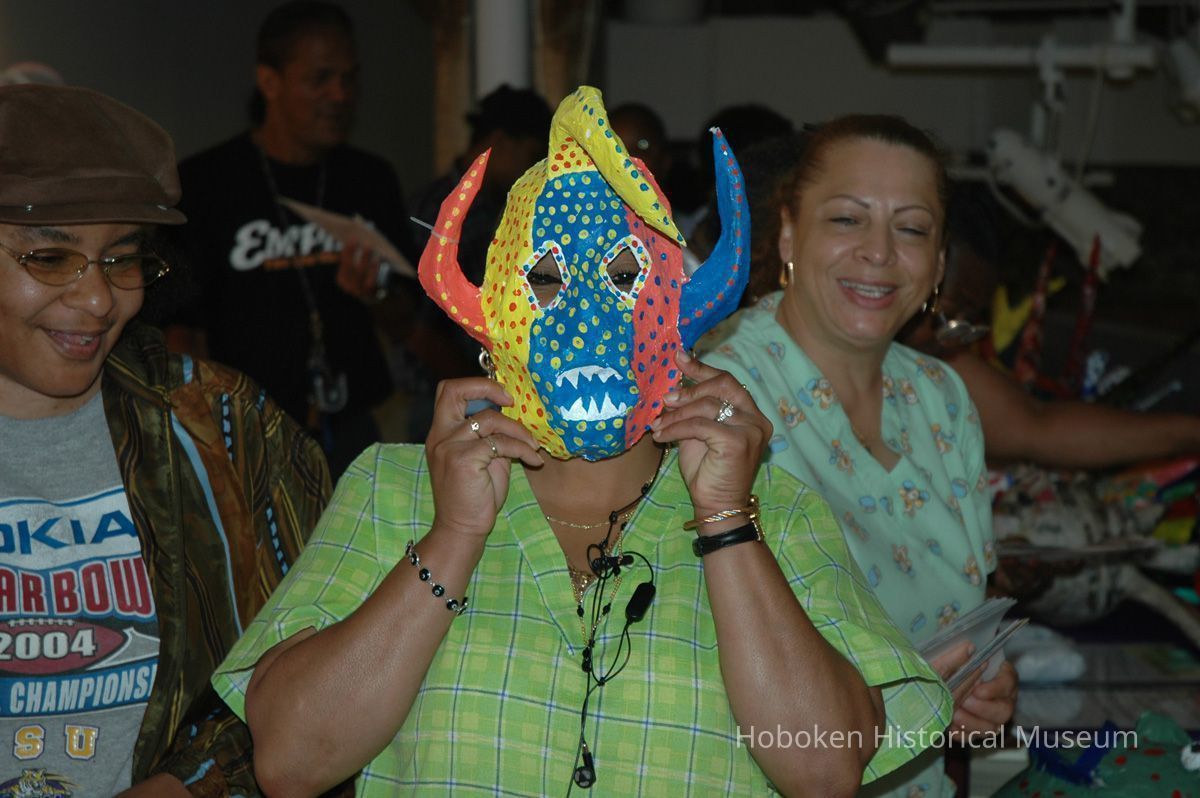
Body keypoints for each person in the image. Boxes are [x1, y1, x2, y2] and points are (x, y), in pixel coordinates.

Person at [214, 87, 954, 797]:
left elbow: (824, 772)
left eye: (626, 276)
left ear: (677, 306)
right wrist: (454, 536)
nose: (588, 319)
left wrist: (728, 523)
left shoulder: (774, 512)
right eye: (544, 281)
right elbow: (289, 763)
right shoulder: (393, 489)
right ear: (496, 314)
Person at [0, 85, 329, 796]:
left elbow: (319, 658)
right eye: (50, 257)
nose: (98, 299)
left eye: (122, 259)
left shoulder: (220, 425)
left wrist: (187, 783)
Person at [699, 115, 1017, 798]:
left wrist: (982, 684)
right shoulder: (719, 398)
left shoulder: (941, 399)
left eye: (912, 229)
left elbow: (962, 614)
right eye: (847, 219)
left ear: (938, 262)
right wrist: (901, 707)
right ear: (788, 233)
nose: (879, 252)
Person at [168, 0, 417, 478]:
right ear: (270, 81)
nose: (340, 94)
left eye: (349, 78)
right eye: (320, 79)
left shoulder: (368, 179)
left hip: (351, 424)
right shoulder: (207, 183)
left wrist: (376, 295)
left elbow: (406, 320)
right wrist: (201, 432)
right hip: (242, 429)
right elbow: (182, 330)